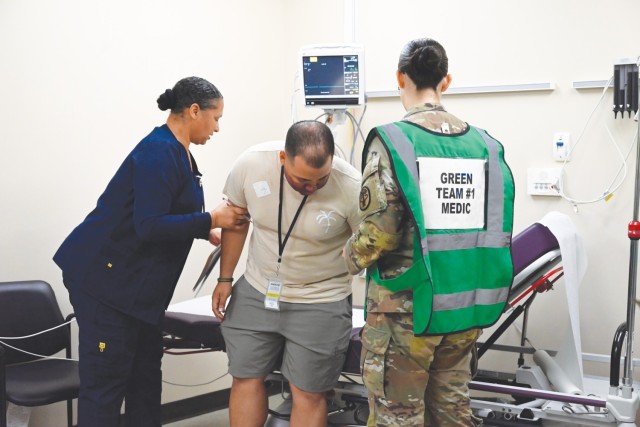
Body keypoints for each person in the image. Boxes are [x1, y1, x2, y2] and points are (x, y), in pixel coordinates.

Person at [53, 76, 249, 427]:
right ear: (194, 111)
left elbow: (163, 212)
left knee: (145, 382)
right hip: (105, 289)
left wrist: (205, 230)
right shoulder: (158, 152)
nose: (218, 128)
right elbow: (149, 225)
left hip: (137, 294)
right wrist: (209, 219)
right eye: (216, 118)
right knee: (105, 385)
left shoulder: (179, 152)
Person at [343, 38, 515, 426]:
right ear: (446, 81)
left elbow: (378, 235)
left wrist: (346, 258)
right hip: (463, 308)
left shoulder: (394, 141)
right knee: (452, 413)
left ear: (399, 77)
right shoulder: (486, 146)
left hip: (407, 313)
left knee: (399, 416)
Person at [212, 120, 361, 427]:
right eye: (303, 180)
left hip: (321, 298)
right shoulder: (251, 165)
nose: (312, 187)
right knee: (245, 376)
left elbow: (371, 245)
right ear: (283, 158)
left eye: (321, 180)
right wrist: (225, 278)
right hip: (257, 289)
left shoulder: (351, 185)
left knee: (308, 391)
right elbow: (236, 222)